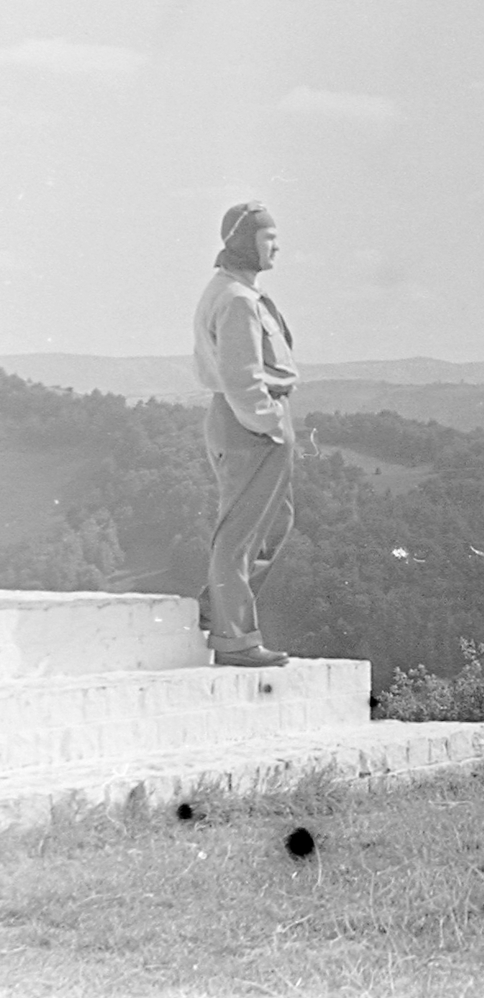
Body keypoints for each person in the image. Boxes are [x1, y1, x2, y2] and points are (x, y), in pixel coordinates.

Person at [192, 201, 298, 667]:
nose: (276, 245)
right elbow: (242, 378)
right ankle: (234, 640)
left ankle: (218, 604)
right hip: (249, 424)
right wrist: (271, 425)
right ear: (244, 242)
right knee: (240, 534)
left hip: (252, 422)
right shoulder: (236, 299)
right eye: (267, 237)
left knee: (274, 524)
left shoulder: (238, 292)